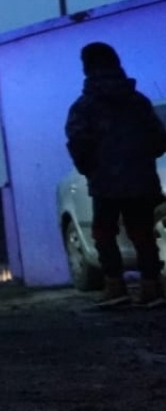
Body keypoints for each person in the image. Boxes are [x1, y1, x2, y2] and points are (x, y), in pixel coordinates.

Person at [64, 42, 166, 307]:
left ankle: (115, 287)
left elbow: (78, 142)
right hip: (142, 179)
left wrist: (90, 168)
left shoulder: (84, 107)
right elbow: (158, 140)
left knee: (103, 233)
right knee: (143, 233)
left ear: (87, 68)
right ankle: (151, 287)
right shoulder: (139, 102)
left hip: (105, 182)